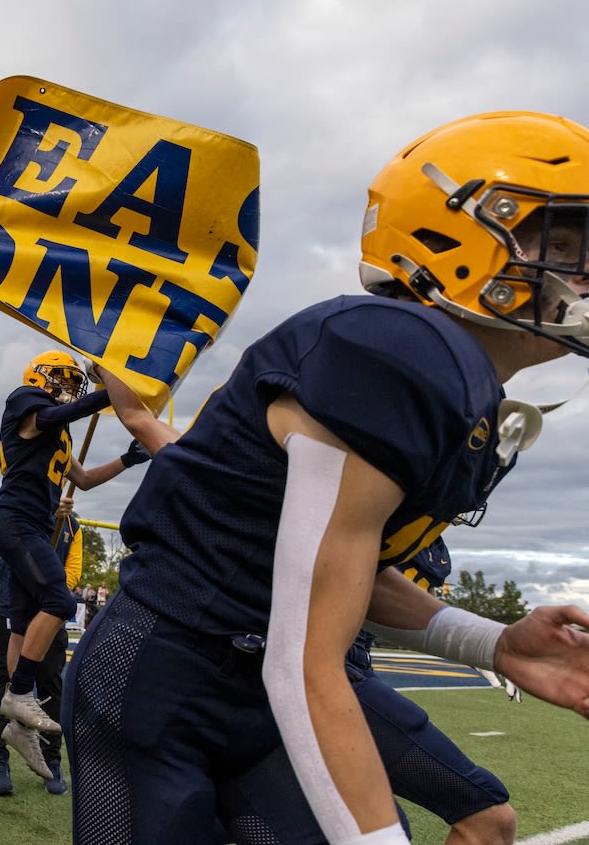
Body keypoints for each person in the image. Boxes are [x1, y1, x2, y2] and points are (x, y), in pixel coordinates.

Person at [64, 111, 589, 844]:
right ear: (459, 234)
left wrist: (493, 643)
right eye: (562, 243)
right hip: (164, 674)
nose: (581, 270)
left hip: (256, 690)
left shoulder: (458, 386)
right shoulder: (400, 350)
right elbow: (302, 658)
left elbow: (338, 573)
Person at [0, 351, 159, 762]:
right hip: (16, 521)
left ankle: (18, 725)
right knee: (60, 601)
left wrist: (128, 460)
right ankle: (19, 694)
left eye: (73, 383)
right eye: (63, 380)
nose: (69, 389)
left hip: (36, 529)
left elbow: (83, 479)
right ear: (40, 377)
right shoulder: (25, 400)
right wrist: (110, 391)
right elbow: (55, 416)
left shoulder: (58, 435)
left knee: (25, 625)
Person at [349, 538, 514, 842]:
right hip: (319, 667)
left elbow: (418, 611)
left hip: (350, 665)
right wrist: (487, 645)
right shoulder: (377, 510)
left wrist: (482, 646)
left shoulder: (429, 539)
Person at [0, 496, 89, 797]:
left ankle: (53, 759)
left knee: (51, 684)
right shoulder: (19, 507)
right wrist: (44, 511)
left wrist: (49, 588)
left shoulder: (73, 527)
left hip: (48, 612)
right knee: (3, 683)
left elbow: (73, 572)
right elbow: (4, 544)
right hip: (8, 606)